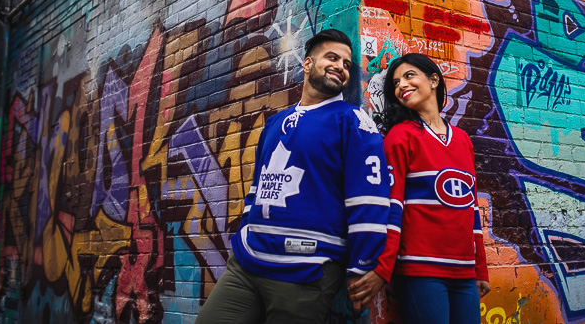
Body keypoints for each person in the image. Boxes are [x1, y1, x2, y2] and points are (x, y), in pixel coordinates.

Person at [197, 29, 390, 323]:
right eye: (332, 57)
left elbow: (370, 198)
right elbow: (257, 188)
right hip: (248, 262)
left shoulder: (352, 121)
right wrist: (247, 230)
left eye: (347, 64)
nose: (340, 66)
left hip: (307, 269)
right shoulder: (276, 122)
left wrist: (363, 265)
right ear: (308, 64)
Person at [348, 53, 490, 323]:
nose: (401, 85)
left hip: (464, 273)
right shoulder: (400, 136)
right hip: (421, 271)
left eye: (409, 76)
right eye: (396, 83)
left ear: (434, 80)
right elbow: (392, 208)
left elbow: (471, 208)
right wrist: (384, 268)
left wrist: (480, 268)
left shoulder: (462, 140)